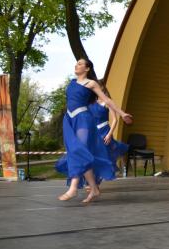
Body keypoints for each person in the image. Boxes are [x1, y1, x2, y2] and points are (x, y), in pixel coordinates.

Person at [55, 59, 132, 203]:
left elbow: (107, 100)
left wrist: (122, 113)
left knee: (79, 150)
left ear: (87, 68)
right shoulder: (71, 83)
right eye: (76, 63)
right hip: (69, 120)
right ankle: (94, 188)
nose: (76, 65)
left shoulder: (91, 83)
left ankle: (73, 188)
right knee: (77, 152)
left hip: (83, 120)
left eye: (80, 64)